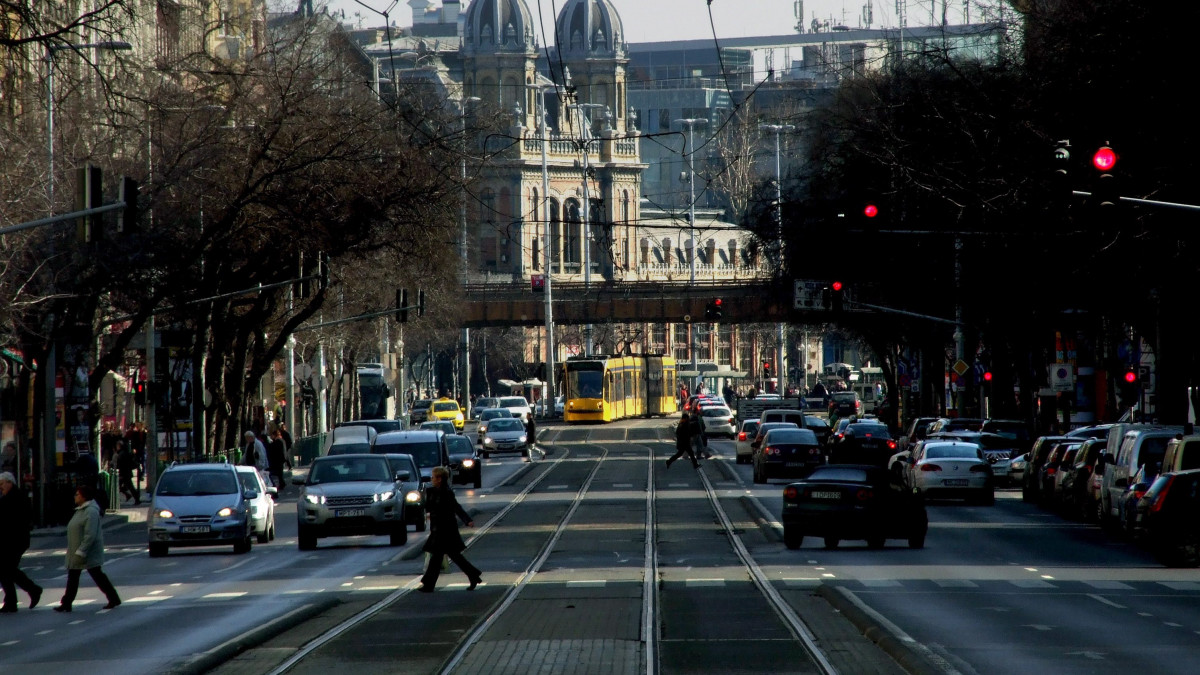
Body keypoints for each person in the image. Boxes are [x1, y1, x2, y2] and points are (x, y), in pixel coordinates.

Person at [54, 485, 120, 612]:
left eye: (77, 494)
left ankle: (113, 598)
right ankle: (67, 603)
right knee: (74, 577)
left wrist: (82, 550)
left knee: (97, 576)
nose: (75, 496)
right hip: (77, 550)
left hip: (87, 552)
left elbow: (90, 534)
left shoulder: (91, 512)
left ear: (84, 497)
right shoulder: (81, 510)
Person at [418, 467, 482, 593]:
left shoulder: (446, 492)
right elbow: (428, 507)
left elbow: (456, 507)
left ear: (440, 479)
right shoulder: (432, 491)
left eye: (433, 477)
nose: (432, 479)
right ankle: (473, 575)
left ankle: (428, 584)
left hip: (446, 530)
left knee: (437, 557)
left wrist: (467, 519)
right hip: (438, 529)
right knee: (453, 556)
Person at [0, 472, 42, 613]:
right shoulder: (9, 497)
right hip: (11, 540)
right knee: (6, 570)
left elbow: (13, 520)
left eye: (2, 484)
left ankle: (31, 590)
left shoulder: (15, 498)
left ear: (10, 483)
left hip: (14, 541)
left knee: (7, 569)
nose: (0, 487)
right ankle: (13, 600)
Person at [115, 440, 140, 505]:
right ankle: (131, 496)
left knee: (126, 487)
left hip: (124, 474)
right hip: (126, 473)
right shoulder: (124, 453)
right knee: (128, 487)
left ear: (119, 446)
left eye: (117, 446)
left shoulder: (121, 454)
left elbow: (121, 465)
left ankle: (136, 498)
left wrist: (120, 474)